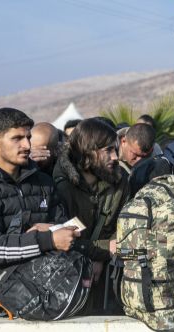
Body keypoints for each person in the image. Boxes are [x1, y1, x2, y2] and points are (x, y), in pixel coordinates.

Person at [0, 108, 72, 314]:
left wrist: (52, 229)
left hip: (44, 296)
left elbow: (66, 230)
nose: (26, 145)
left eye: (28, 137)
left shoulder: (44, 182)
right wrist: (47, 240)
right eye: (17, 138)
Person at [53, 118, 129, 314]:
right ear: (88, 151)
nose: (115, 157)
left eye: (115, 150)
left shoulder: (120, 180)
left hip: (109, 274)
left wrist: (100, 258)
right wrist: (99, 253)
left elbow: (124, 227)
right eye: (108, 151)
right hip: (67, 275)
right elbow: (62, 238)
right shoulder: (60, 185)